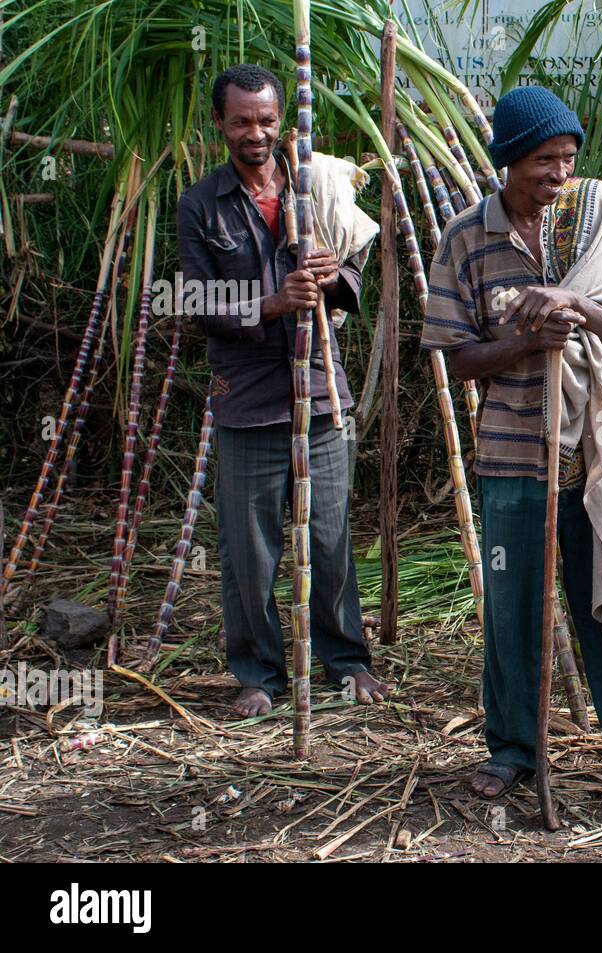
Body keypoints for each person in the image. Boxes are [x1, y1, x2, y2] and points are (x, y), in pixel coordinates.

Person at [421, 86, 602, 803]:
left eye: (568, 159)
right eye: (545, 160)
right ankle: (511, 748)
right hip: (514, 456)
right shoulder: (465, 239)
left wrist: (576, 305)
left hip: (599, 453)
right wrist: (521, 340)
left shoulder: (594, 218)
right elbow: (454, 356)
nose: (558, 174)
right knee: (512, 607)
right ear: (509, 160)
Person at [177, 64, 389, 718]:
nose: (256, 133)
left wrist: (331, 274)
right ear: (220, 124)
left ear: (283, 122)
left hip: (322, 396)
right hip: (247, 401)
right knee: (249, 547)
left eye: (266, 120)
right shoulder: (201, 204)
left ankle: (347, 660)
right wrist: (271, 303)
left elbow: (354, 266)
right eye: (241, 121)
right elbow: (196, 300)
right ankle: (259, 673)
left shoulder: (317, 185)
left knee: (329, 538)